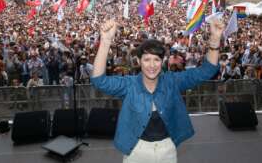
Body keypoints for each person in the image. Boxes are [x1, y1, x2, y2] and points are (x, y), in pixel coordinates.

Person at [91, 18, 225, 163]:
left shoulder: (172, 81)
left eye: (156, 60)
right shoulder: (129, 85)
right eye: (147, 59)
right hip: (136, 151)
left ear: (163, 62)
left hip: (167, 150)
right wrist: (105, 42)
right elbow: (99, 81)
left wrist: (215, 40)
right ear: (139, 61)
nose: (152, 65)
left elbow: (207, 70)